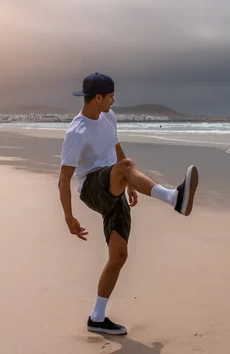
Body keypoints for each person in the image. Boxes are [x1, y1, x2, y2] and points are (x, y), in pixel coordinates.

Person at [58, 72, 199, 335]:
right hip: (91, 186)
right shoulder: (77, 131)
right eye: (111, 96)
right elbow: (64, 177)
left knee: (119, 256)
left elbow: (117, 149)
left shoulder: (108, 117)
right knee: (124, 167)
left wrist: (130, 182)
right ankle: (173, 198)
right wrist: (69, 217)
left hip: (114, 183)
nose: (114, 100)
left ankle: (97, 319)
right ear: (98, 97)